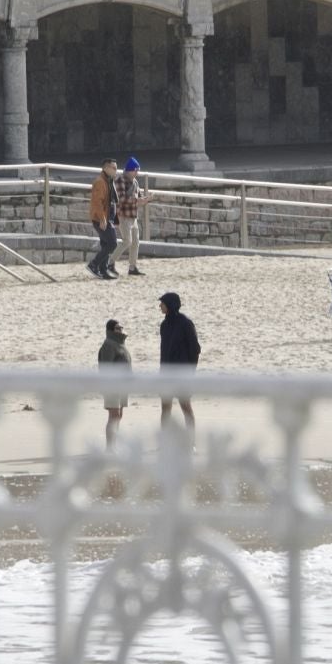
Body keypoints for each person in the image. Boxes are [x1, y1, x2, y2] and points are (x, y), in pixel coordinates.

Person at [158, 292, 199, 446]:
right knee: (165, 408)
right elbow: (164, 350)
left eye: (162, 303)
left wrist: (189, 372)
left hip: (182, 374)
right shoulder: (164, 325)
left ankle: (191, 442)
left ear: (170, 304)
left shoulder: (186, 323)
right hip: (166, 373)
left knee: (186, 407)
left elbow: (195, 349)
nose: (160, 306)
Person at [110, 156, 151, 277]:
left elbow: (138, 197)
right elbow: (121, 199)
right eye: (135, 170)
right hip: (123, 215)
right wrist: (137, 200)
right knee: (127, 241)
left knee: (135, 242)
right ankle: (110, 262)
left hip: (133, 216)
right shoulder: (120, 180)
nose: (137, 173)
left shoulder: (135, 182)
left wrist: (146, 200)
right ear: (129, 170)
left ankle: (132, 267)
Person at [98, 318, 132, 449]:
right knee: (114, 415)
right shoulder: (108, 345)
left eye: (121, 328)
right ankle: (110, 448)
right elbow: (106, 368)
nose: (120, 330)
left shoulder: (120, 344)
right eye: (117, 328)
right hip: (112, 386)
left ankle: (114, 445)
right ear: (110, 330)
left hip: (122, 386)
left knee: (119, 416)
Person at [87, 159, 119, 280]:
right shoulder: (100, 182)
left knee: (106, 243)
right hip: (101, 218)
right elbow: (97, 202)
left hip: (107, 218)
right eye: (113, 168)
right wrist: (102, 218)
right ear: (106, 168)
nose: (116, 170)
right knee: (112, 243)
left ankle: (103, 269)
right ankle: (94, 264)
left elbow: (111, 201)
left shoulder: (109, 181)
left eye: (116, 168)